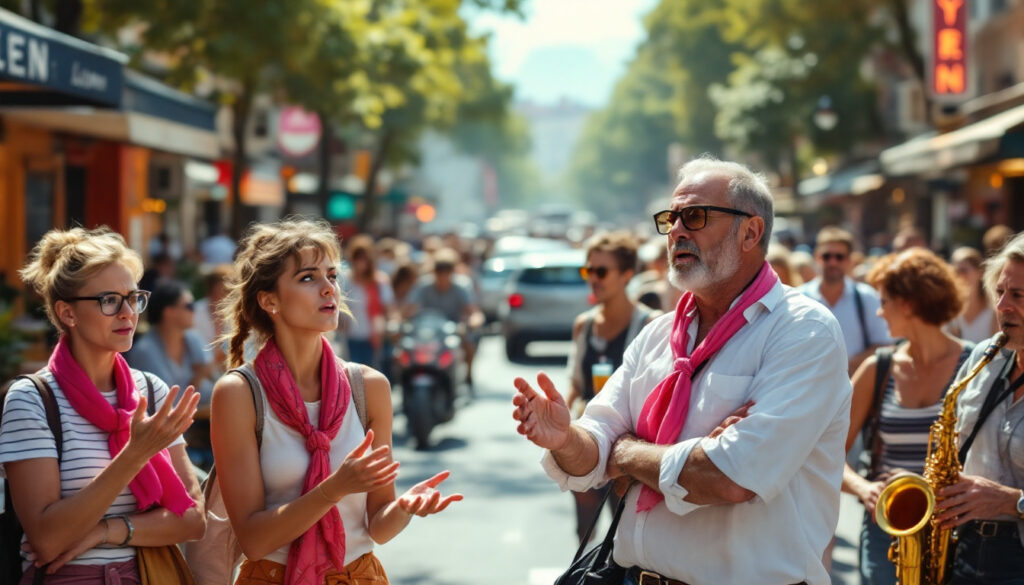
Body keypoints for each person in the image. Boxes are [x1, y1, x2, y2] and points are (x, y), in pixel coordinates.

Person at [512, 156, 852, 585]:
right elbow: (591, 451)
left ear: (751, 232)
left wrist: (626, 454)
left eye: (694, 216)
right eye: (671, 218)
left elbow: (730, 477)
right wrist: (564, 438)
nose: (676, 231)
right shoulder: (658, 335)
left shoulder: (804, 330)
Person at [210, 219, 461, 585]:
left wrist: (404, 508)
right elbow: (253, 539)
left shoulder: (369, 387)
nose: (329, 289)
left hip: (359, 576)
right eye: (308, 278)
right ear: (270, 301)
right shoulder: (239, 394)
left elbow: (377, 527)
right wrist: (333, 488)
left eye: (332, 275)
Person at [0, 227, 203, 583]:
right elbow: (47, 540)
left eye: (133, 297)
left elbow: (192, 519)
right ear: (67, 313)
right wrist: (134, 454)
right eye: (110, 300)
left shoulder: (151, 391)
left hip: (148, 574)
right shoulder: (32, 400)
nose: (128, 313)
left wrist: (104, 531)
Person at [841, 248, 973, 585]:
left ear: (908, 304)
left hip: (955, 529)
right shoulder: (878, 368)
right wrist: (865, 489)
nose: (879, 312)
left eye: (884, 301)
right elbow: (826, 448)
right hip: (889, 524)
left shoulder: (975, 365)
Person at [935, 232, 1024, 584]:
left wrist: (1012, 501)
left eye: (1018, 295)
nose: (1002, 306)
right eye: (1000, 292)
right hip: (965, 549)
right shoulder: (984, 354)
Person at [565, 232, 658, 544]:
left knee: (624, 534)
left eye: (601, 271)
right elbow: (576, 383)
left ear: (627, 275)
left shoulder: (650, 325)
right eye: (588, 271)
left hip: (629, 443)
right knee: (585, 529)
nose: (593, 278)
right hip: (590, 435)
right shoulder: (584, 324)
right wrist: (560, 425)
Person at [798, 227, 891, 373]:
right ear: (817, 257)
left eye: (839, 257)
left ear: (849, 260)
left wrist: (844, 366)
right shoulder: (799, 298)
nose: (833, 262)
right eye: (827, 256)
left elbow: (883, 346)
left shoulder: (867, 297)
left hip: (857, 389)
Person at [403, 248, 484, 388]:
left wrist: (473, 321)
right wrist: (401, 321)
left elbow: (473, 311)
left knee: (468, 346)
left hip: (452, 330)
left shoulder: (461, 286)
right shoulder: (424, 286)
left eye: (446, 272)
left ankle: (468, 376)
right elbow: (409, 309)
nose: (442, 277)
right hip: (428, 331)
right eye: (439, 272)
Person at [339, 236, 394, 370]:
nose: (361, 263)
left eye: (364, 259)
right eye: (358, 258)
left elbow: (388, 308)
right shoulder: (346, 280)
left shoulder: (379, 281)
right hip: (350, 335)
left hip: (373, 337)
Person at [948, 247, 999, 344]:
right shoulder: (949, 313)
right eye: (955, 272)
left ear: (980, 272)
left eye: (963, 270)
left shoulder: (994, 311)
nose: (959, 277)